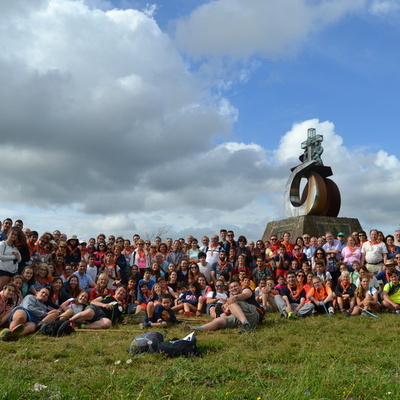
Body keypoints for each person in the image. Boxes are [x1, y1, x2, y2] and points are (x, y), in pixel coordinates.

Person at [185, 280, 263, 333]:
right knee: (219, 320)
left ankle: (245, 324)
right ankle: (198, 329)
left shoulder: (245, 290)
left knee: (231, 303)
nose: (233, 288)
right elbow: (226, 309)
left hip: (253, 314)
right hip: (239, 318)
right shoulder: (227, 298)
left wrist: (234, 298)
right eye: (231, 288)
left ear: (240, 286)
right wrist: (226, 310)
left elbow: (246, 294)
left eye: (235, 286)